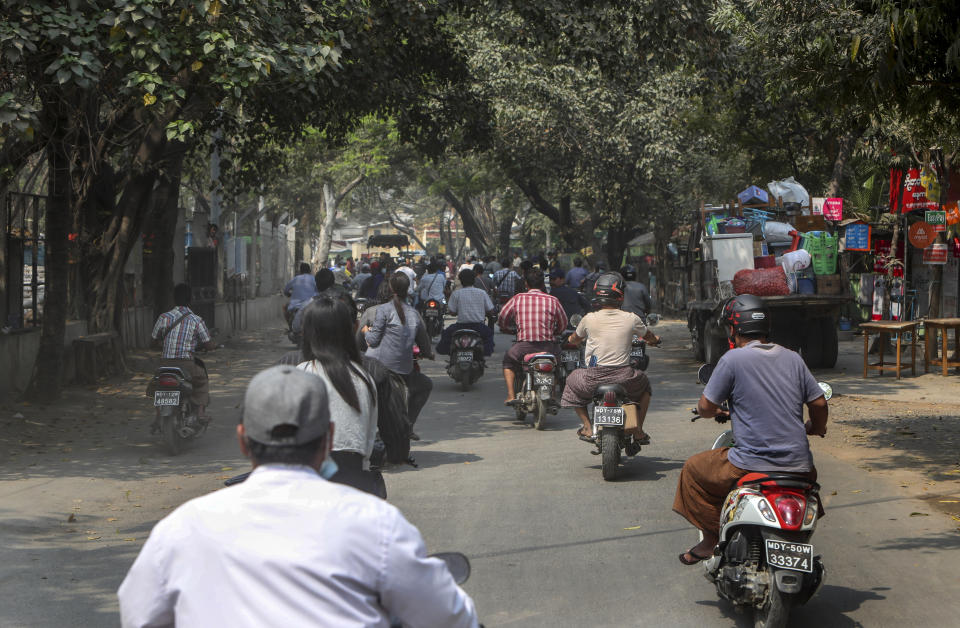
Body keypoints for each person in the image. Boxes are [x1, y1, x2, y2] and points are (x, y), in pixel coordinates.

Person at [118, 365, 478, 628]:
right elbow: (448, 614)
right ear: (328, 438)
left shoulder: (183, 526)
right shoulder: (375, 524)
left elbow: (138, 613)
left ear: (243, 441)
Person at [673, 294, 828, 565]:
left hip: (749, 464)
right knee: (811, 491)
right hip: (801, 466)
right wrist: (816, 427)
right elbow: (818, 402)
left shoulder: (733, 360)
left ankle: (710, 541)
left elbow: (707, 406)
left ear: (733, 329)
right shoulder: (793, 358)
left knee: (692, 470)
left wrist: (711, 412)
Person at [297, 296, 381, 496]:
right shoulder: (365, 378)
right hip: (355, 476)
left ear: (307, 333)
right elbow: (369, 439)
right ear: (353, 329)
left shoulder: (302, 373)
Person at [561, 273, 659, 443]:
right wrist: (655, 340)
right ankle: (638, 431)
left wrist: (570, 341)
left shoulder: (588, 319)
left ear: (598, 295)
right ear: (620, 295)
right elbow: (649, 336)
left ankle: (587, 426)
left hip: (592, 377)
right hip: (624, 378)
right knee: (645, 388)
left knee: (571, 380)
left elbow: (574, 339)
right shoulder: (632, 318)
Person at [363, 273, 434, 429]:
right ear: (408, 289)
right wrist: (429, 354)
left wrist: (365, 330)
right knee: (426, 385)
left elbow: (373, 340)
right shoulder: (414, 313)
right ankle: (408, 424)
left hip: (376, 367)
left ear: (390, 288)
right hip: (403, 371)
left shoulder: (383, 310)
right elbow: (425, 344)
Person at [498, 270, 568, 405]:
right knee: (557, 365)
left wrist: (505, 328)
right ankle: (552, 394)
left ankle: (511, 395)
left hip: (524, 346)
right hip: (549, 346)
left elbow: (502, 317)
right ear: (543, 285)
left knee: (508, 363)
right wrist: (556, 332)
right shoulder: (553, 300)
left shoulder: (518, 298)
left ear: (526, 284)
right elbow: (563, 324)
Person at [151, 283, 215, 423]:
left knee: (156, 385)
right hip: (186, 365)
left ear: (174, 299)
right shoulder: (196, 320)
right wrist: (210, 346)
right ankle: (200, 412)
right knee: (202, 380)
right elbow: (209, 345)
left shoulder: (164, 317)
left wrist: (162, 344)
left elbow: (153, 341)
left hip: (165, 364)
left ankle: (158, 415)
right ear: (190, 299)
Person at [436, 269, 496, 356]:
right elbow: (490, 310)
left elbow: (452, 312)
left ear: (461, 280)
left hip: (460, 327)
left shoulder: (456, 294)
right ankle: (484, 355)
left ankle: (450, 354)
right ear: (474, 279)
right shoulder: (482, 293)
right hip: (478, 326)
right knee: (489, 335)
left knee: (446, 334)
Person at [291, 268, 347, 336]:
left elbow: (296, 326)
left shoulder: (310, 303)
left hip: (317, 341)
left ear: (317, 285)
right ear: (333, 282)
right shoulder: (344, 300)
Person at [282, 262, 317, 329]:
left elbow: (286, 290)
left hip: (295, 306)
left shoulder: (295, 279)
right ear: (309, 270)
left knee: (285, 307)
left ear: (300, 271)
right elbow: (318, 291)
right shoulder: (314, 279)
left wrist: (289, 294)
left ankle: (290, 327)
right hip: (311, 306)